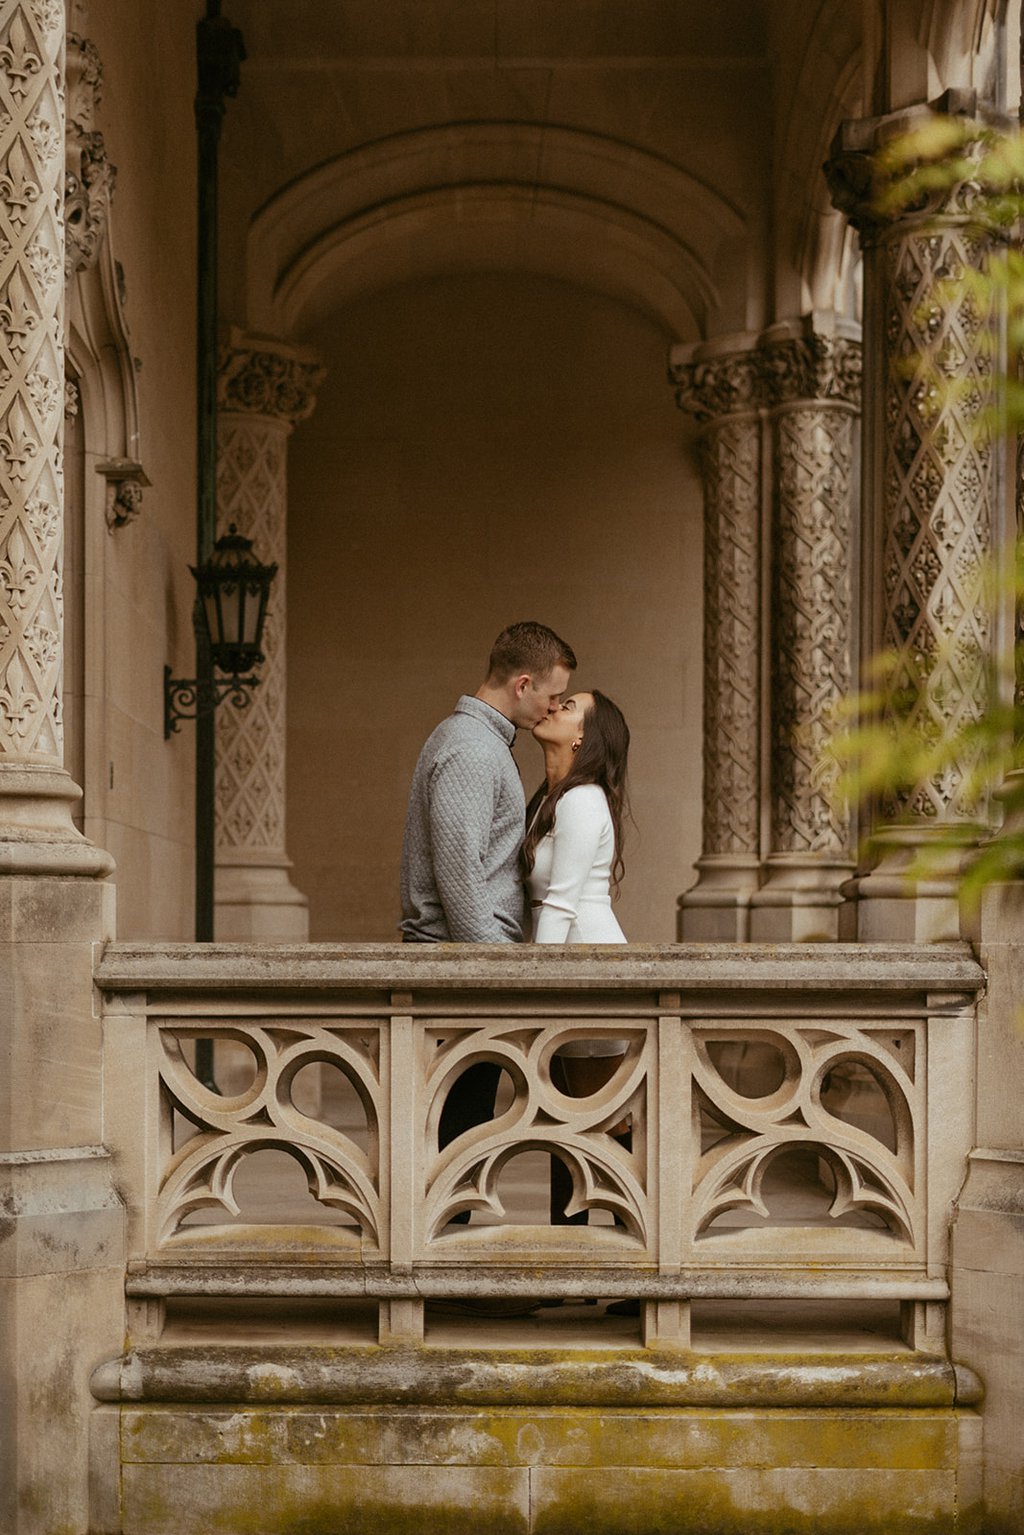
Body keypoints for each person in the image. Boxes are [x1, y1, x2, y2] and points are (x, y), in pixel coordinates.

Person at [400, 622, 577, 1170]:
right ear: (522, 684)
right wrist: (495, 976)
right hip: (461, 975)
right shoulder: (472, 749)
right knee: (455, 1143)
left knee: (461, 1137)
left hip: (465, 968)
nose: (551, 710)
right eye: (550, 697)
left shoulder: (481, 742)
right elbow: (460, 878)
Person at [522, 689, 631, 1229]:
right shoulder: (550, 798)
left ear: (585, 735)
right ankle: (572, 1254)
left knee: (608, 1126)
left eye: (567, 706)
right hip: (565, 963)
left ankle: (634, 1264)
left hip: (587, 968)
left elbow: (562, 902)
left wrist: (535, 988)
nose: (551, 708)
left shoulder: (581, 800)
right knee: (566, 1124)